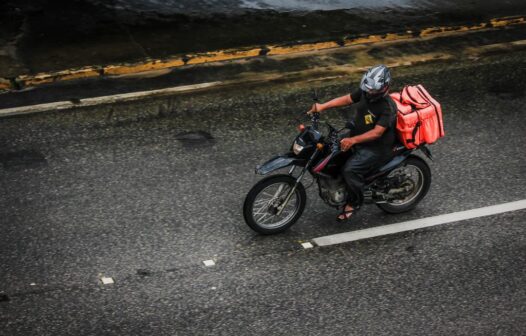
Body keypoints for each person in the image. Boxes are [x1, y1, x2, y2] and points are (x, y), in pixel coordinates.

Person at [307, 64, 397, 221]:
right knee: (330, 152)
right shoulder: (366, 92)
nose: (370, 92)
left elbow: (377, 133)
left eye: (374, 90)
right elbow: (347, 99)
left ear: (384, 88)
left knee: (350, 170)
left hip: (377, 148)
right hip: (356, 136)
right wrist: (322, 106)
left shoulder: (387, 107)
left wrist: (353, 140)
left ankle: (354, 202)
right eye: (368, 89)